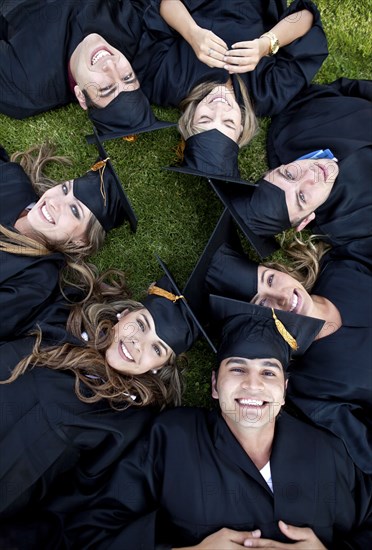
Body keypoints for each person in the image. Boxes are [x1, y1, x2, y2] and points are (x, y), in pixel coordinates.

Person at [59, 301, 372, 549]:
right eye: (237, 369)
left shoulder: (327, 452)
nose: (253, 385)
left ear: (285, 389)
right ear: (214, 385)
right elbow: (90, 533)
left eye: (268, 372)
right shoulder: (170, 439)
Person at [0, 258, 213, 533]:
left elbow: (74, 500)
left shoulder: (124, 420)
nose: (138, 343)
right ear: (124, 313)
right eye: (142, 324)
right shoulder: (61, 317)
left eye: (157, 349)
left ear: (158, 368)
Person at [195, 209, 372, 474]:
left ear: (281, 271)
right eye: (264, 305)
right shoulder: (309, 386)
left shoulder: (342, 267)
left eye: (270, 280)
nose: (282, 299)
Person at [133, 0, 326, 174]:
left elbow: (164, 4)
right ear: (241, 128)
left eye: (205, 118)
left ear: (190, 119)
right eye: (228, 122)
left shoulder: (168, 83)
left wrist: (192, 33)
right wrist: (266, 44)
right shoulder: (269, 93)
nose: (220, 107)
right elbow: (306, 17)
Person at [211, 78, 372, 265]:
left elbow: (347, 89)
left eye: (288, 175)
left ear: (276, 168)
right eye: (302, 197)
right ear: (305, 220)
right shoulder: (351, 225)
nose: (310, 174)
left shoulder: (294, 128)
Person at [0, 140, 133, 342]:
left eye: (74, 210)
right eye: (64, 190)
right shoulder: (11, 180)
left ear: (82, 241)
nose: (55, 202)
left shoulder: (35, 280)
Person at [0, 1, 173, 141]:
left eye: (106, 88)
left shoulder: (25, 86)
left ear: (81, 97)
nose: (110, 66)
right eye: (127, 77)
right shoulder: (129, 31)